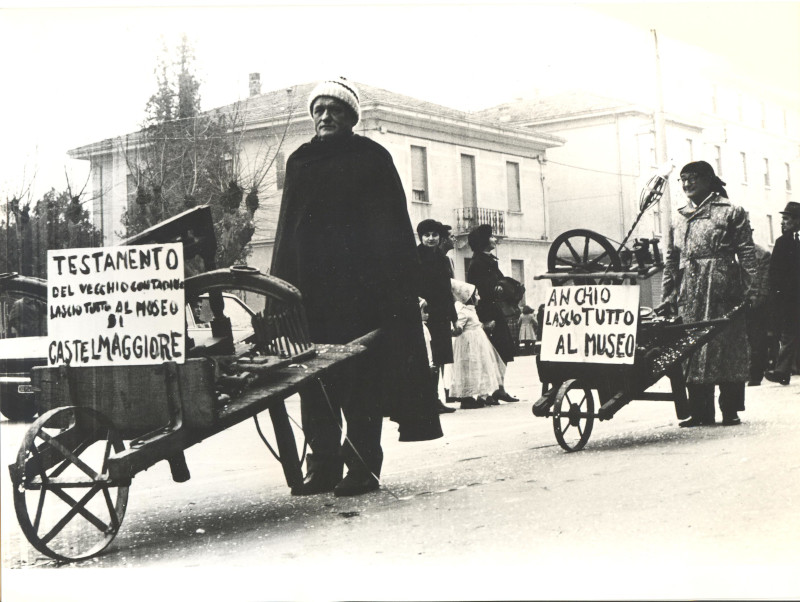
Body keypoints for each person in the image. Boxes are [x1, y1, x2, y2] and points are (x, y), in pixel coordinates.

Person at [270, 78, 443, 497]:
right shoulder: (300, 161)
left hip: (361, 296)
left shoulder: (371, 157)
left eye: (335, 110)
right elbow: (286, 232)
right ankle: (324, 465)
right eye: (319, 110)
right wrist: (280, 293)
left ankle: (363, 467)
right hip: (311, 297)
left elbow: (392, 229)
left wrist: (395, 289)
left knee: (361, 384)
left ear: (351, 117)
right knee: (315, 384)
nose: (325, 116)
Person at [659, 160, 757, 427]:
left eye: (693, 178)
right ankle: (701, 412)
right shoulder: (679, 216)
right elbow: (671, 259)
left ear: (708, 180)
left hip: (723, 287)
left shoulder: (731, 211)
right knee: (693, 348)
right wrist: (667, 295)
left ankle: (730, 410)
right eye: (683, 179)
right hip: (689, 291)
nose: (687, 184)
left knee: (726, 346)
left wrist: (752, 290)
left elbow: (747, 252)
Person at [466, 224, 519, 403]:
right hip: (488, 311)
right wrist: (486, 318)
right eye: (491, 237)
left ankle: (498, 388)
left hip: (496, 310)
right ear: (483, 241)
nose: (494, 239)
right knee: (493, 351)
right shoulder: (478, 263)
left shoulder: (487, 260)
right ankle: (492, 390)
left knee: (502, 350)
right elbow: (482, 291)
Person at [416, 218, 457, 414]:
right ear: (421, 237)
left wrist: (454, 317)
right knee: (425, 358)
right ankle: (423, 400)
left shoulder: (442, 259)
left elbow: (447, 290)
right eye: (427, 235)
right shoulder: (414, 257)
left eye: (435, 235)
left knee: (438, 358)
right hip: (424, 315)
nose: (431, 238)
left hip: (441, 315)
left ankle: (435, 399)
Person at [449, 279, 507, 409]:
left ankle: (481, 394)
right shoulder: (462, 311)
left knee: (479, 367)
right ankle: (467, 397)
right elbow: (460, 327)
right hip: (468, 344)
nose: (479, 297)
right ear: (468, 297)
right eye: (476, 295)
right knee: (468, 368)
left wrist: (485, 326)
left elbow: (475, 324)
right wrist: (455, 329)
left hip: (478, 343)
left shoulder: (471, 309)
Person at [764, 201, 800, 386]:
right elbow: (774, 273)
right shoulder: (782, 242)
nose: (783, 222)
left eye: (786, 219)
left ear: (797, 221)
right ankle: (782, 371)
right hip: (790, 299)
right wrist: (776, 296)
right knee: (788, 333)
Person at [746, 235, 772, 386]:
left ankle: (755, 374)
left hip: (755, 303)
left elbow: (764, 281)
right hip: (734, 303)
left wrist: (759, 298)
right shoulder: (728, 253)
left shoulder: (761, 254)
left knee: (756, 339)